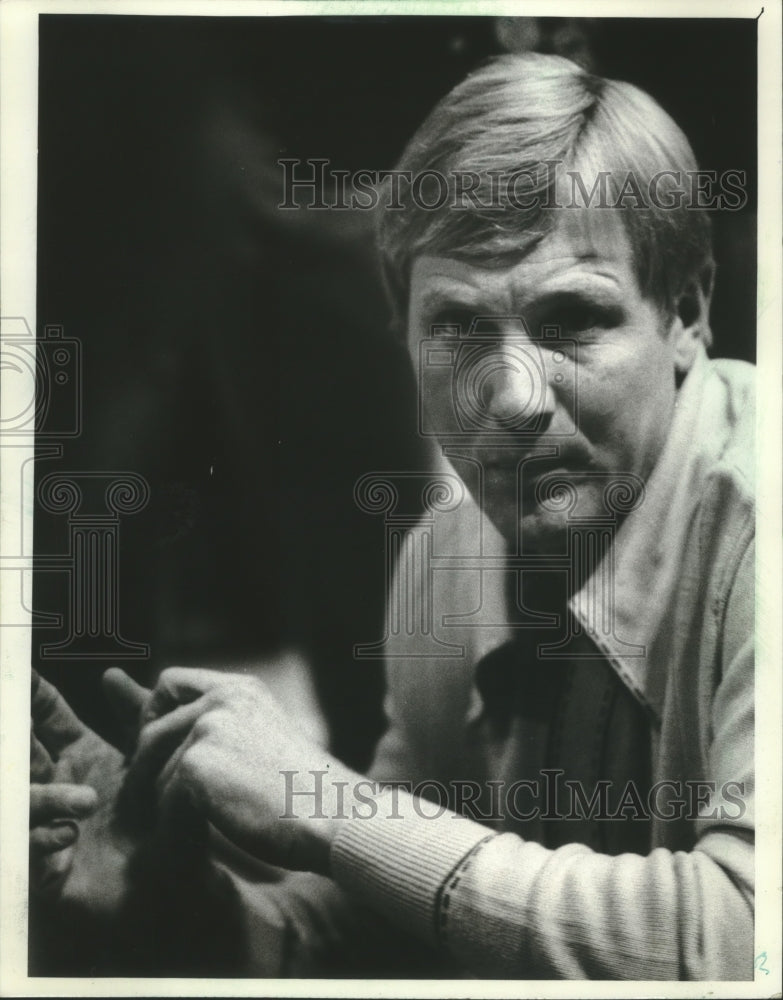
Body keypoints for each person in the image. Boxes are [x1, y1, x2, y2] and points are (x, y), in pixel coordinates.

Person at [31, 53, 754, 980]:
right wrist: (184, 910)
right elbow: (402, 914)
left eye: (572, 319)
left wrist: (335, 808)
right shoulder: (442, 560)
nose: (513, 397)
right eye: (456, 329)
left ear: (688, 312)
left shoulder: (760, 522)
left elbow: (742, 939)